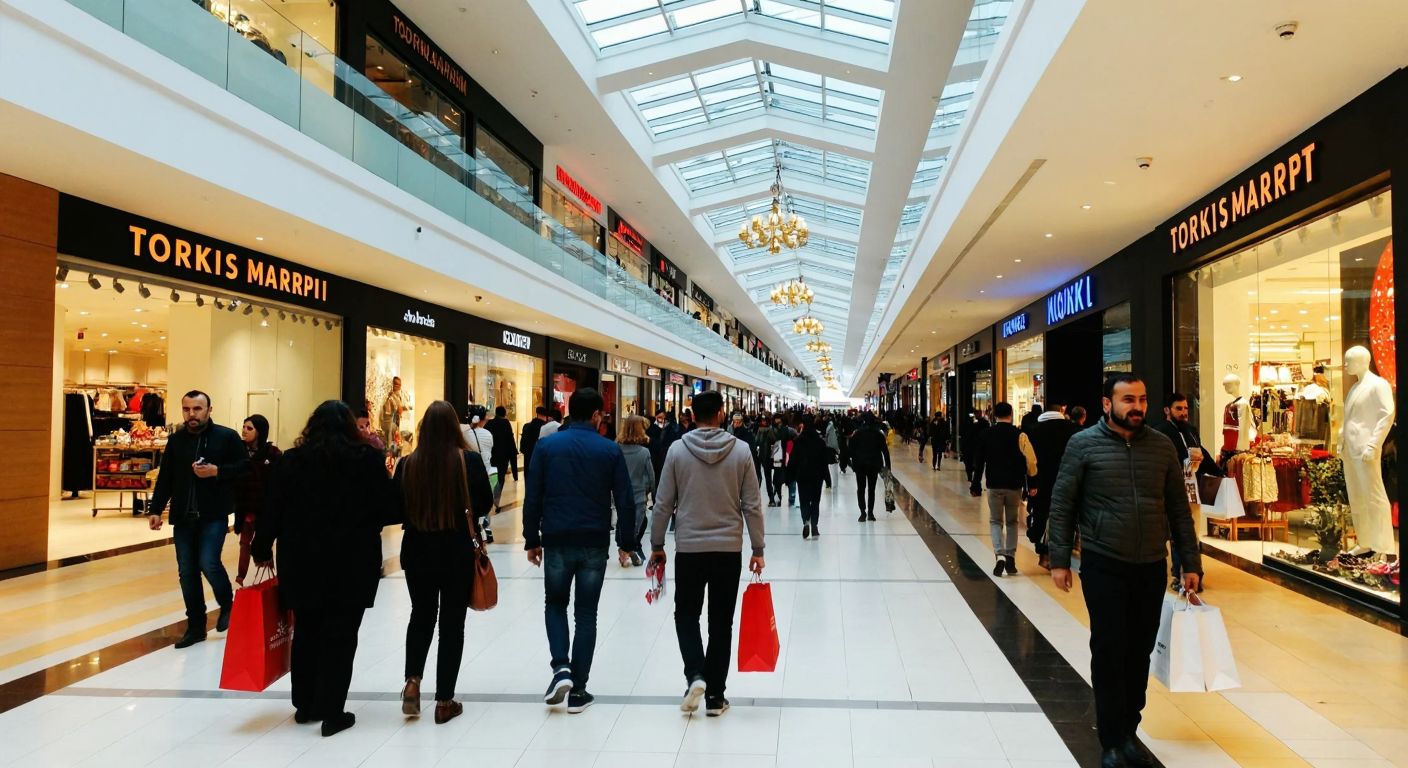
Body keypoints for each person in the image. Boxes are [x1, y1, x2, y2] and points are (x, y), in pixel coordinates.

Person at [1048, 373, 1201, 768]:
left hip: (1151, 564)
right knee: (1110, 648)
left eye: (1142, 400)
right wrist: (1060, 559)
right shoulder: (1083, 445)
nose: (1137, 407)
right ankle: (1111, 739)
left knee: (1140, 652)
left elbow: (1179, 510)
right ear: (1106, 404)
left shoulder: (1162, 447)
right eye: (1128, 399)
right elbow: (1063, 503)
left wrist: (1190, 562)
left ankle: (1130, 729)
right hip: (1103, 563)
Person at [253, 400, 395, 737]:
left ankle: (305, 704)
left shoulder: (292, 461)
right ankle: (333, 710)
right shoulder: (367, 460)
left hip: (302, 560)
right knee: (342, 636)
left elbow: (272, 507)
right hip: (352, 561)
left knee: (307, 630)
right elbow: (389, 507)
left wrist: (261, 548)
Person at [650, 390, 764, 717]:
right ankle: (716, 697)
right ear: (720, 414)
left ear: (692, 415)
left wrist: (657, 545)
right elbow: (752, 504)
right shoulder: (740, 450)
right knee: (721, 623)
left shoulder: (676, 450)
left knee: (686, 615)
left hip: (689, 548)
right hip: (728, 549)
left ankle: (695, 674)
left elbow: (663, 504)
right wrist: (758, 548)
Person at [522, 388, 636, 714]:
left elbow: (534, 496)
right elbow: (625, 500)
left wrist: (532, 538)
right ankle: (579, 690)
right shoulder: (609, 450)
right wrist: (625, 542)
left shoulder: (545, 447)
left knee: (555, 603)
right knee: (586, 614)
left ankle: (561, 668)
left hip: (557, 537)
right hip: (594, 541)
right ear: (597, 415)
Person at [392, 401, 493, 725]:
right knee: (452, 624)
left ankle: (412, 681)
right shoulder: (469, 461)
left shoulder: (407, 464)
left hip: (417, 551)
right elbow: (484, 503)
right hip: (456, 551)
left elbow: (394, 510)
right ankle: (444, 700)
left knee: (420, 616)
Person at [147, 391, 249, 648]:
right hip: (183, 516)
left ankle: (227, 605)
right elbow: (166, 477)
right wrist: (156, 509)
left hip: (213, 514)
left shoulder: (226, 437)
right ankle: (195, 626)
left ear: (209, 410)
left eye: (197, 409)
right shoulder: (177, 440)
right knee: (187, 572)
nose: (191, 414)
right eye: (187, 409)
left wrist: (218, 471)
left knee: (208, 562)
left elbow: (245, 469)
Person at [1154, 392, 1221, 591]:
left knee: (1192, 532)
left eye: (1185, 408)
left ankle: (1194, 573)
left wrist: (1218, 472)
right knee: (1177, 533)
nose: (1184, 412)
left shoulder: (1191, 430)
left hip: (1193, 490)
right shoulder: (1160, 432)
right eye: (1179, 408)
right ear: (1167, 410)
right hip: (1171, 491)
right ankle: (1179, 574)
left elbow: (1202, 452)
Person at [969, 401, 1038, 577]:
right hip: (1014, 485)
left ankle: (999, 554)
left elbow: (979, 462)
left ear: (994, 416)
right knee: (1012, 521)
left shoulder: (986, 435)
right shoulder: (1020, 435)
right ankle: (1010, 557)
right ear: (1011, 414)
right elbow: (1031, 460)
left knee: (995, 521)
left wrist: (975, 483)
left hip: (994, 484)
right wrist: (1032, 483)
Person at [1025, 404, 1080, 570]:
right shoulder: (1074, 430)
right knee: (1065, 516)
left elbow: (1029, 460)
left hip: (1042, 481)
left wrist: (1029, 484)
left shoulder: (1033, 430)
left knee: (1042, 515)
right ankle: (1064, 550)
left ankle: (1044, 552)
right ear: (1061, 412)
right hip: (1068, 479)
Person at [234, 414, 281, 587]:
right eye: (244, 427)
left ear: (260, 432)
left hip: (266, 508)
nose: (245, 431)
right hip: (245, 506)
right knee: (244, 543)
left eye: (250, 428)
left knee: (264, 542)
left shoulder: (272, 453)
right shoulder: (238, 451)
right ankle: (242, 577)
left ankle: (268, 579)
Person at [617, 415, 655, 567]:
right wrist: (656, 496)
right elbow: (651, 477)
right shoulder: (644, 453)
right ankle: (628, 551)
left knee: (623, 524)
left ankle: (625, 551)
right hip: (639, 496)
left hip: (621, 495)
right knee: (636, 526)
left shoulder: (616, 449)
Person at [786, 413, 831, 538]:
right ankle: (814, 525)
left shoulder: (799, 441)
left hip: (803, 476)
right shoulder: (820, 442)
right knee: (815, 501)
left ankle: (806, 521)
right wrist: (828, 480)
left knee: (804, 500)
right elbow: (824, 462)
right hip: (817, 476)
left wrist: (789, 476)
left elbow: (793, 460)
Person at [462, 406, 497, 542]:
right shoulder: (488, 434)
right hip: (486, 469)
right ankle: (487, 528)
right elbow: (490, 449)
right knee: (486, 497)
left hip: (471, 470)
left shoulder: (466, 434)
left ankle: (474, 527)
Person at [848, 414, 891, 521]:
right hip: (874, 465)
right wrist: (888, 467)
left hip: (860, 465)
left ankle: (863, 513)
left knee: (861, 489)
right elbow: (885, 452)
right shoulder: (878, 434)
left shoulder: (857, 434)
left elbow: (850, 450)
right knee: (872, 490)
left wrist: (852, 464)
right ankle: (871, 513)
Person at [484, 405, 519, 512]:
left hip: (491, 455)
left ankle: (490, 498)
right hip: (503, 456)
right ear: (504, 414)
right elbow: (510, 439)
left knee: (492, 476)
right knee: (500, 478)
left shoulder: (489, 423)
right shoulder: (505, 423)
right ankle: (496, 501)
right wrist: (515, 473)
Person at [727, 412, 761, 489]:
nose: (736, 424)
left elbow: (752, 450)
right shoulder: (728, 432)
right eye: (735, 422)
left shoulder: (747, 433)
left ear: (742, 422)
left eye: (738, 422)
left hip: (742, 463)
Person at [381, 376, 409, 449]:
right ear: (392, 384)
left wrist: (403, 408)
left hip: (396, 423)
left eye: (399, 384)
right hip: (389, 424)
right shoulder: (390, 397)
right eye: (396, 384)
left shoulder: (398, 396)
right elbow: (396, 409)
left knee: (395, 445)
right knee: (389, 446)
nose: (398, 386)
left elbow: (401, 408)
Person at [520, 406, 549, 475]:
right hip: (540, 458)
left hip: (528, 456)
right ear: (546, 416)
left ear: (537, 413)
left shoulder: (526, 426)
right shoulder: (545, 427)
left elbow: (522, 444)